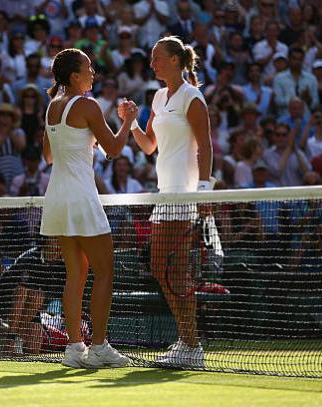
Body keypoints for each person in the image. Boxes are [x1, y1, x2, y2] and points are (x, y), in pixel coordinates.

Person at [118, 36, 213, 368]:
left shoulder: (193, 98)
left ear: (175, 60)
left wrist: (203, 192)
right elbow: (148, 146)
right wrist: (129, 123)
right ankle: (189, 344)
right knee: (166, 269)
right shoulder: (159, 97)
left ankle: (190, 345)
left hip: (184, 195)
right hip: (165, 194)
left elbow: (205, 146)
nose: (152, 63)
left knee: (172, 270)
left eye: (158, 58)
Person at [40, 48, 136, 368]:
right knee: (105, 270)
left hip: (57, 198)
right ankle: (98, 347)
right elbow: (114, 149)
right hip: (81, 197)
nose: (93, 73)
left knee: (75, 275)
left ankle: (74, 349)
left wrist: (81, 143)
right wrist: (128, 122)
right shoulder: (87, 105)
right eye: (88, 68)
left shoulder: (52, 107)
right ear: (74, 76)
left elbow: (48, 156)